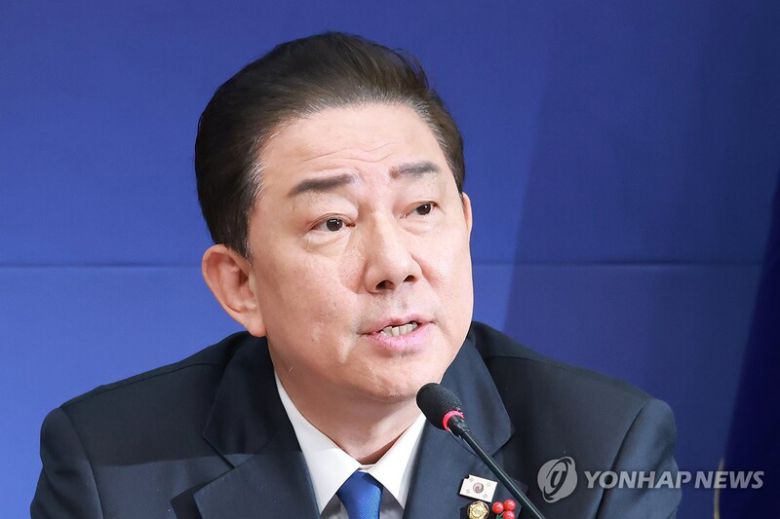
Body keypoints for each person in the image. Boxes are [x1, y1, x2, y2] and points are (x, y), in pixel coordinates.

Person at [31, 32, 680, 518]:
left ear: (465, 223)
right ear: (240, 285)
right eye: (333, 222)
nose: (394, 265)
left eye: (421, 209)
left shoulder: (602, 448)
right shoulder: (109, 467)